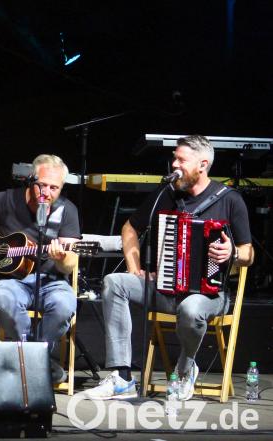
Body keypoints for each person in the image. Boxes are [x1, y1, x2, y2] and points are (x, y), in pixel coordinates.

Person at [82, 135, 253, 400]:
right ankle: (122, 377)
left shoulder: (229, 200)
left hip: (209, 295)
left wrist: (233, 253)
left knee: (190, 308)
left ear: (203, 164)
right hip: (165, 288)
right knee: (115, 283)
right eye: (174, 157)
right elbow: (130, 227)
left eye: (181, 159)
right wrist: (134, 267)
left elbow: (248, 252)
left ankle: (185, 369)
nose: (174, 164)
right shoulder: (167, 194)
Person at [0, 154, 80, 383]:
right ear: (31, 180)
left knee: (65, 304)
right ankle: (37, 366)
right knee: (2, 295)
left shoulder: (67, 210)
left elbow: (70, 262)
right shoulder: (8, 200)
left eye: (54, 188)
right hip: (12, 280)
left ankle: (27, 361)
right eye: (42, 185)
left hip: (52, 281)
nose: (47, 193)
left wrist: (61, 258)